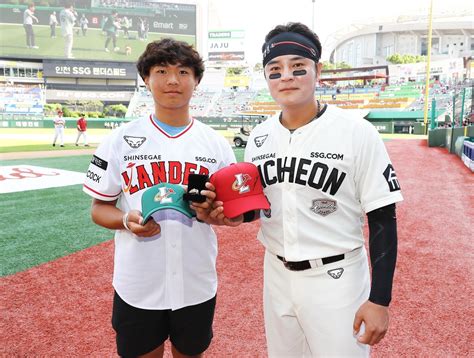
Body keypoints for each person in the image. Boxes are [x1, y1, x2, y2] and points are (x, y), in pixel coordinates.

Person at [201, 22, 404, 357]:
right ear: (266, 78)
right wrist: (227, 218)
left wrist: (380, 299)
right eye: (275, 70)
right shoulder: (259, 137)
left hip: (336, 277)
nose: (287, 77)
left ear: (317, 71)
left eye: (298, 67)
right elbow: (260, 208)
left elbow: (383, 216)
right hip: (277, 274)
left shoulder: (356, 131)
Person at [82, 38, 235, 357]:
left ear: (196, 80)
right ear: (146, 79)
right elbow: (99, 208)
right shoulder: (118, 141)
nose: (173, 80)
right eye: (161, 70)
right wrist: (125, 220)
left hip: (196, 280)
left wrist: (214, 214)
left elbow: (229, 212)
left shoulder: (216, 145)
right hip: (138, 283)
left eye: (183, 71)